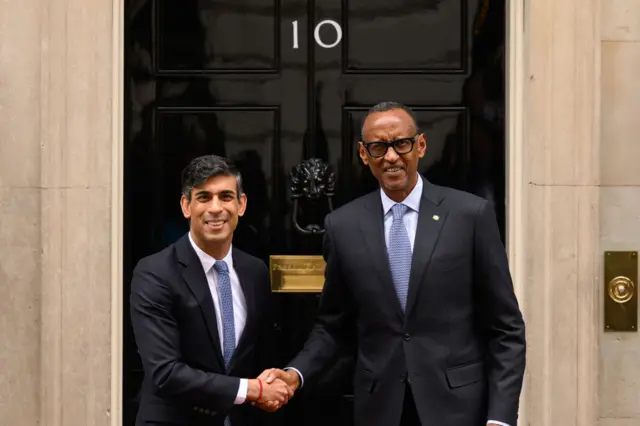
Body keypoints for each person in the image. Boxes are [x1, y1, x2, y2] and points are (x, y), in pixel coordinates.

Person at [263, 102, 526, 426]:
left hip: (458, 408)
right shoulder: (343, 226)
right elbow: (333, 325)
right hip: (380, 409)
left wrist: (499, 419)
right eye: (378, 147)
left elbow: (506, 329)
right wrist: (294, 374)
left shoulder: (469, 216)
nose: (391, 157)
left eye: (401, 144)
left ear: (421, 145)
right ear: (363, 153)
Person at [130, 155, 292, 426]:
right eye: (204, 197)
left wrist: (276, 383)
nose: (216, 208)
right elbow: (165, 372)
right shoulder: (154, 273)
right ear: (186, 206)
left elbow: (261, 355)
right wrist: (254, 390)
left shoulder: (255, 271)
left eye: (226, 196)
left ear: (241, 205)